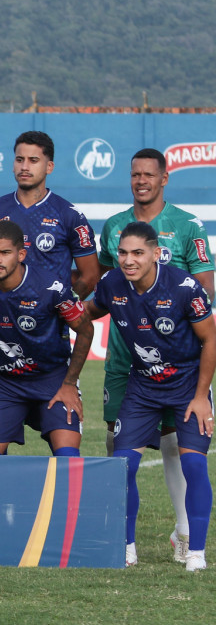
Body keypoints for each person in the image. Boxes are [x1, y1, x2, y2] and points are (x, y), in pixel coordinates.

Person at [97, 147, 215, 562]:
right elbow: (100, 290)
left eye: (149, 174)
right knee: (118, 447)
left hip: (175, 353)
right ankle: (121, 540)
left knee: (175, 445)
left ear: (164, 179)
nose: (141, 180)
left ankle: (184, 532)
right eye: (135, 174)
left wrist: (161, 309)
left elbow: (206, 288)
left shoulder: (186, 226)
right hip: (124, 359)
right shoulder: (114, 227)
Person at [0, 221, 94, 456]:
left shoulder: (51, 288)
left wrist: (69, 384)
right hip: (5, 383)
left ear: (21, 254)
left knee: (68, 459)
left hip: (53, 379)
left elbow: (86, 330)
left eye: (4, 253)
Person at [0, 131, 99, 297]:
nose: (24, 167)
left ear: (49, 167)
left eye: (33, 161)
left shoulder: (69, 215)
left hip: (50, 321)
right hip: (3, 319)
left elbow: (91, 276)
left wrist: (63, 308)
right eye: (20, 160)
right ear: (13, 165)